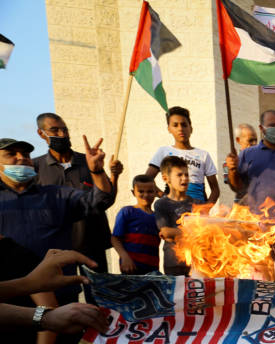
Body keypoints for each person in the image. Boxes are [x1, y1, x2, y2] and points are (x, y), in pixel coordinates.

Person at [0, 137, 113, 304]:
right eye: (11, 154)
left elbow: (100, 201)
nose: (22, 157)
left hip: (61, 295)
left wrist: (97, 172)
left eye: (26, 154)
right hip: (10, 297)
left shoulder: (57, 195)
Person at [33, 113, 122, 275]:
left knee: (98, 295)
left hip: (93, 244)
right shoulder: (36, 167)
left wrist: (111, 175)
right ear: (41, 133)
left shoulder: (89, 161)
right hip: (57, 247)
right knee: (65, 295)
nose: (62, 134)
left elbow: (107, 200)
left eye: (65, 130)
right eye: (54, 130)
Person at [144, 106, 219, 204]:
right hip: (172, 212)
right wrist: (164, 197)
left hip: (197, 212)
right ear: (169, 129)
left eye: (184, 125)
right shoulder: (163, 151)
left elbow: (215, 190)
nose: (180, 129)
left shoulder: (203, 155)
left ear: (191, 128)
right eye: (175, 125)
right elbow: (147, 180)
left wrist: (205, 208)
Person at [153, 157, 193, 276]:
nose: (184, 178)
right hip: (174, 263)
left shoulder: (198, 203)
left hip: (196, 263)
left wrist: (177, 233)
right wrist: (195, 233)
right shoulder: (161, 204)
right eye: (179, 175)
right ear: (166, 178)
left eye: (186, 174)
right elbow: (166, 232)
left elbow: (208, 233)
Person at [111, 175, 159, 274]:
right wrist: (124, 257)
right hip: (131, 267)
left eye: (150, 191)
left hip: (152, 270)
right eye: (141, 191)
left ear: (156, 193)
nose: (145, 195)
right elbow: (115, 238)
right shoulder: (127, 212)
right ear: (133, 193)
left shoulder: (158, 217)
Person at [224, 123, 258, 204]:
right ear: (238, 140)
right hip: (243, 208)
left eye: (255, 140)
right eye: (250, 140)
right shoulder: (228, 162)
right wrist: (233, 170)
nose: (254, 144)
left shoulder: (261, 157)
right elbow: (236, 187)